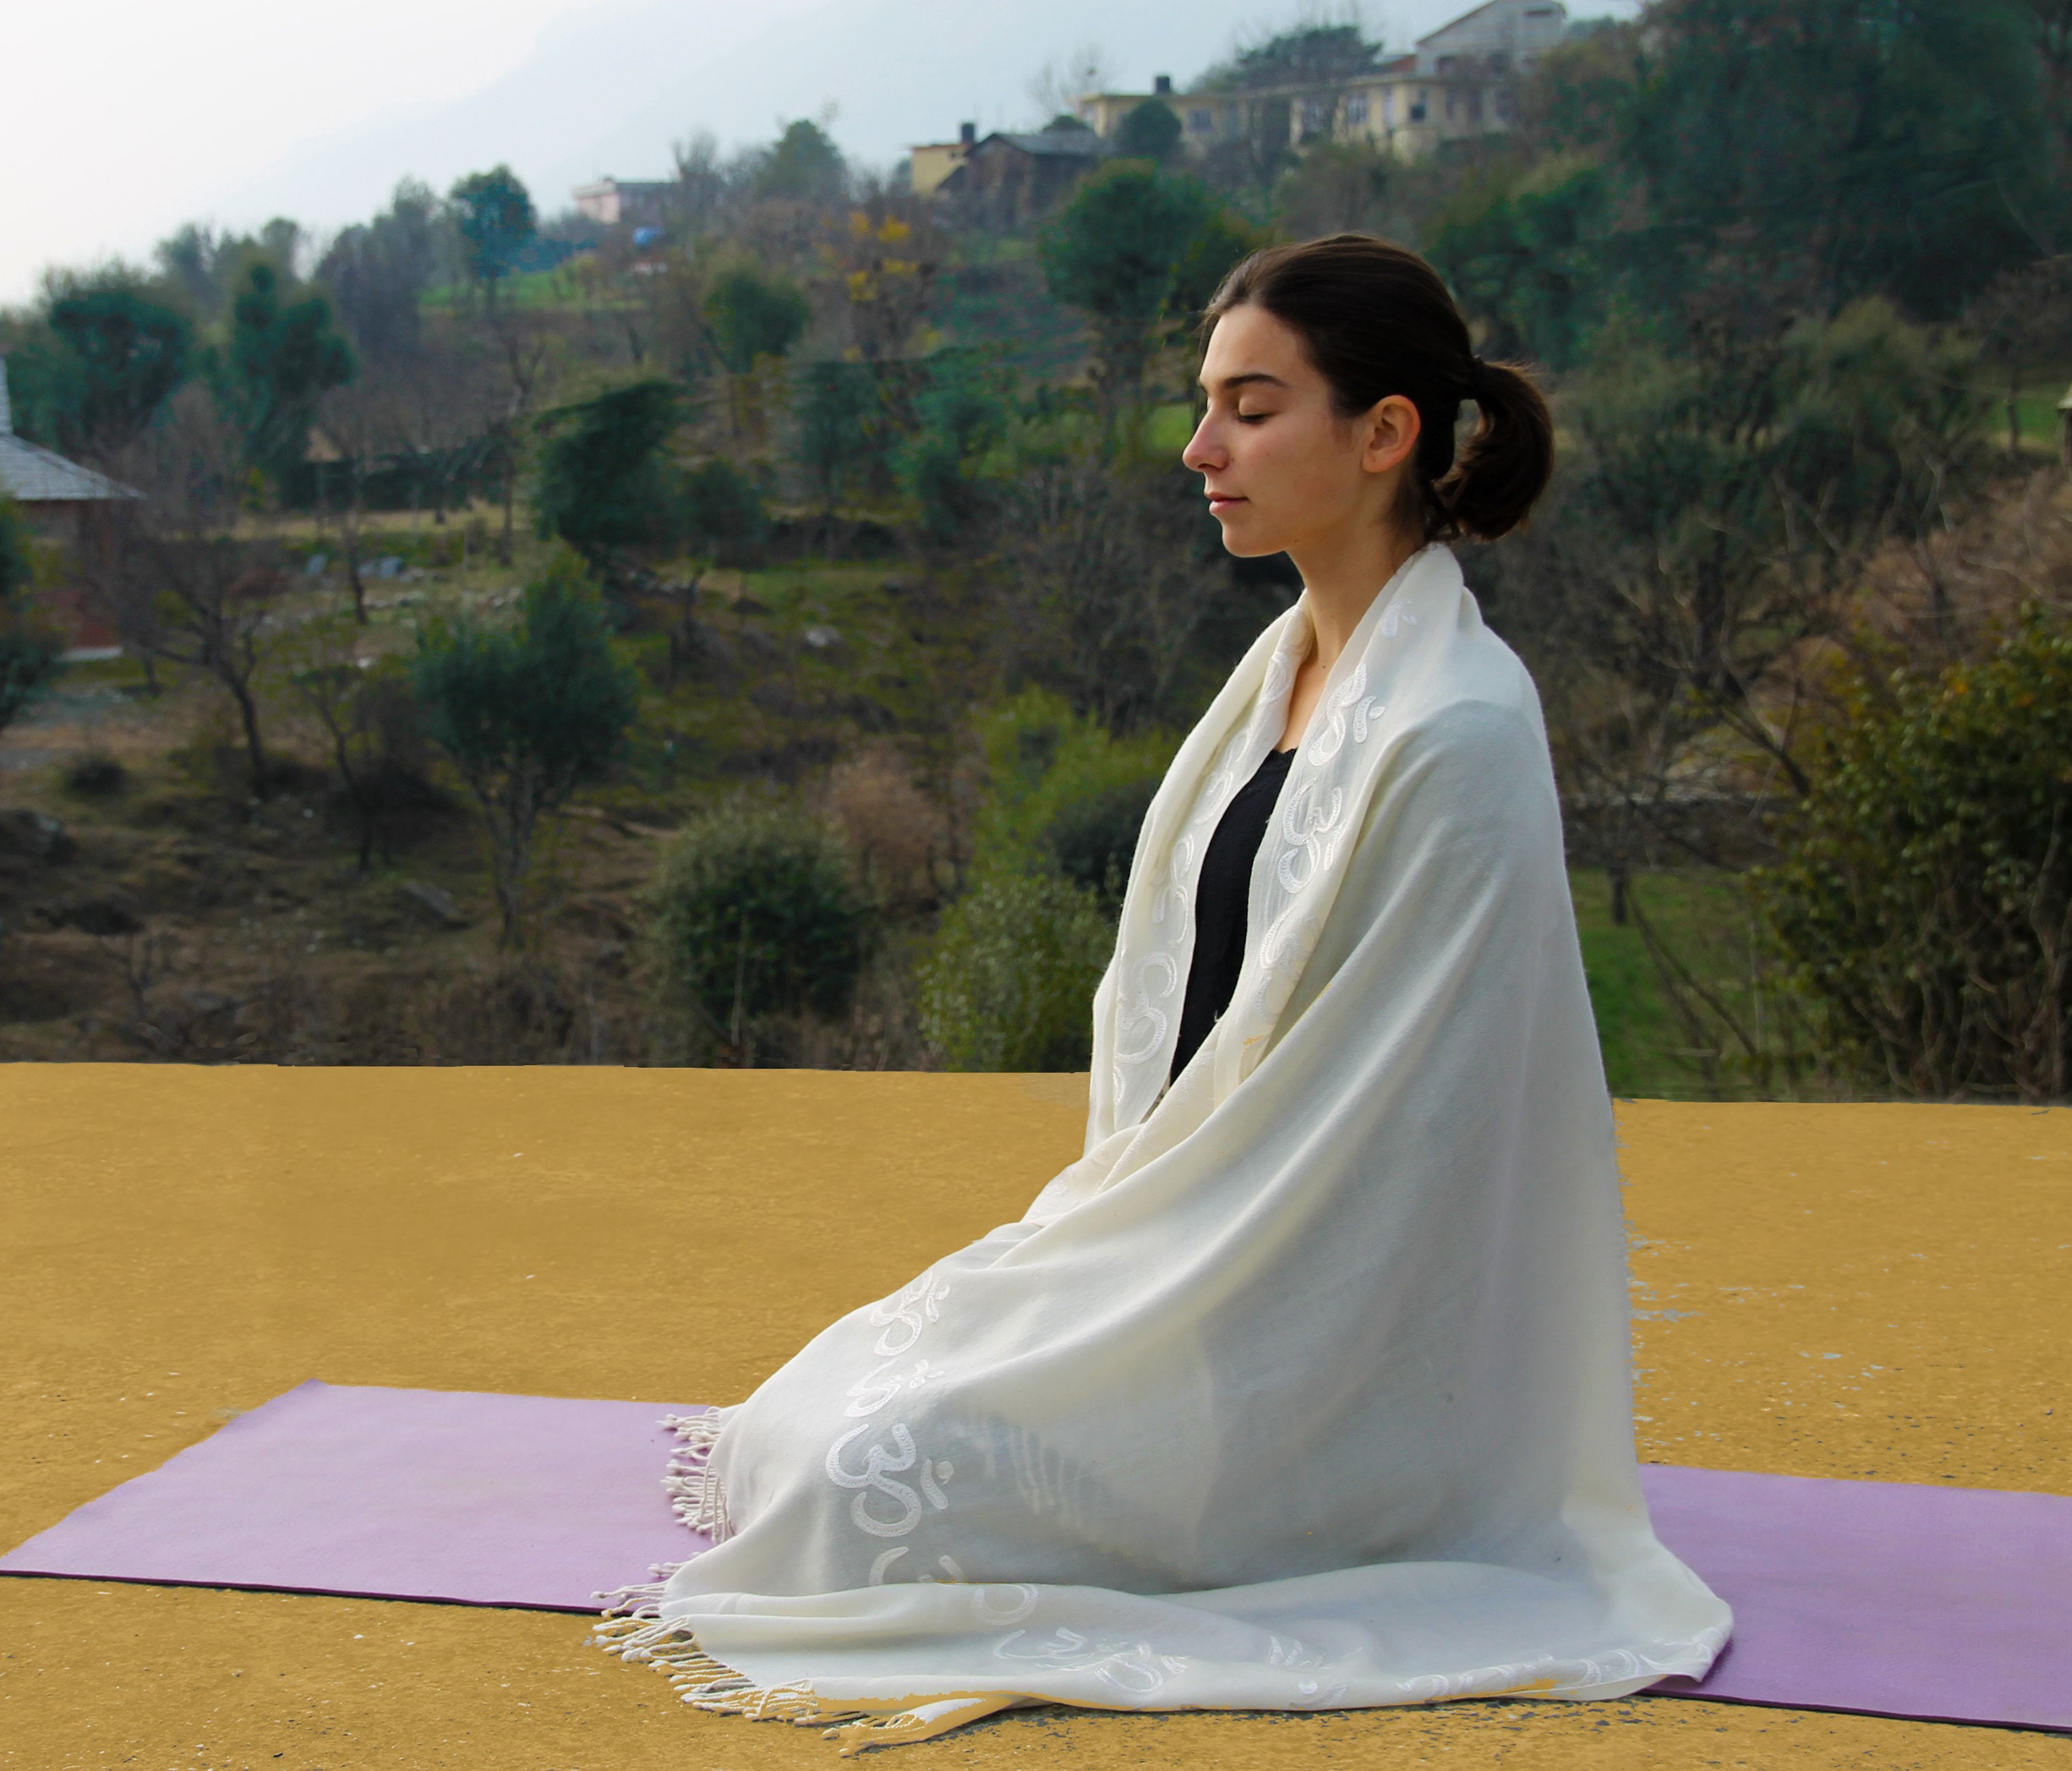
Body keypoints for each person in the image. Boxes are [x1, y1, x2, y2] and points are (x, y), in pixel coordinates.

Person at [590, 234, 1735, 1753]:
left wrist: (1165, 1303)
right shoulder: (1283, 667)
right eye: (1205, 404)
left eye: (1252, 409)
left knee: (868, 1481)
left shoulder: (1453, 726)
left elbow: (1388, 1138)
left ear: (1384, 432)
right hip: (1185, 1255)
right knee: (804, 1427)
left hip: (1298, 1335)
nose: (1200, 450)